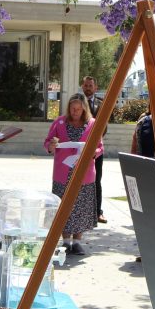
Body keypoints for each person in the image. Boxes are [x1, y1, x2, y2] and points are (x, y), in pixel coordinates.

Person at [46, 93, 103, 255]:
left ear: (84, 109)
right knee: (63, 207)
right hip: (63, 173)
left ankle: (77, 242)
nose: (75, 112)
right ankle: (65, 241)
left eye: (78, 109)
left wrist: (93, 152)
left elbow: (100, 147)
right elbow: (48, 142)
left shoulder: (93, 124)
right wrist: (51, 145)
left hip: (84, 173)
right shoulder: (59, 122)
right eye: (72, 108)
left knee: (81, 207)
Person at [81, 76, 107, 223]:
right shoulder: (77, 102)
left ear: (95, 88)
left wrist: (96, 140)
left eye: (90, 85)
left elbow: (104, 126)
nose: (88, 88)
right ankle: (79, 210)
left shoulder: (102, 104)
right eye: (86, 85)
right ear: (82, 86)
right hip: (79, 147)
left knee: (97, 180)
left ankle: (98, 212)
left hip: (96, 149)